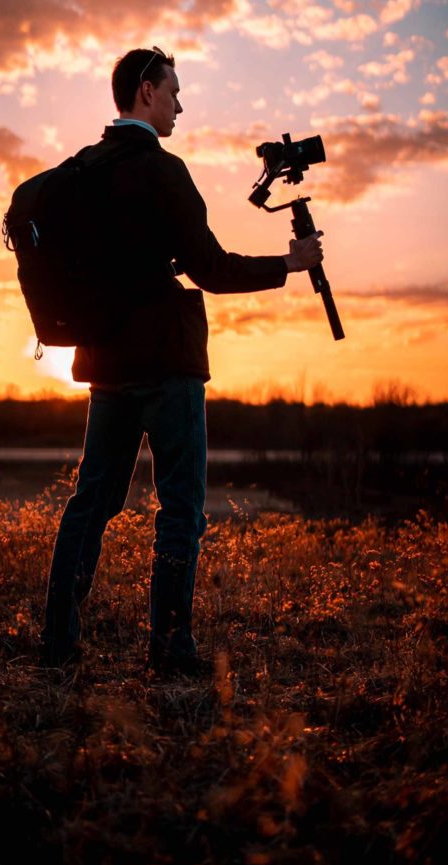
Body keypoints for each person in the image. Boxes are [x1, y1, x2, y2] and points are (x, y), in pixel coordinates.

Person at [40, 47, 324, 676]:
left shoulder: (82, 169)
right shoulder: (163, 171)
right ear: (146, 91)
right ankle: (170, 651)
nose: (180, 105)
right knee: (180, 509)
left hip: (106, 365)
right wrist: (289, 264)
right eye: (173, 93)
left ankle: (57, 640)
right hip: (168, 364)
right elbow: (213, 270)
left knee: (91, 500)